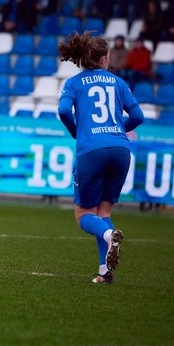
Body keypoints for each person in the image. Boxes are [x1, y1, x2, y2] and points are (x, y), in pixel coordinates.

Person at [57, 32, 144, 284]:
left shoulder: (74, 83)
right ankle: (105, 272)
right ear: (106, 58)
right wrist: (119, 128)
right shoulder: (118, 82)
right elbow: (138, 117)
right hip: (120, 150)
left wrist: (77, 131)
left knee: (84, 215)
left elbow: (63, 110)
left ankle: (109, 237)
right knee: (103, 211)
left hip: (91, 150)